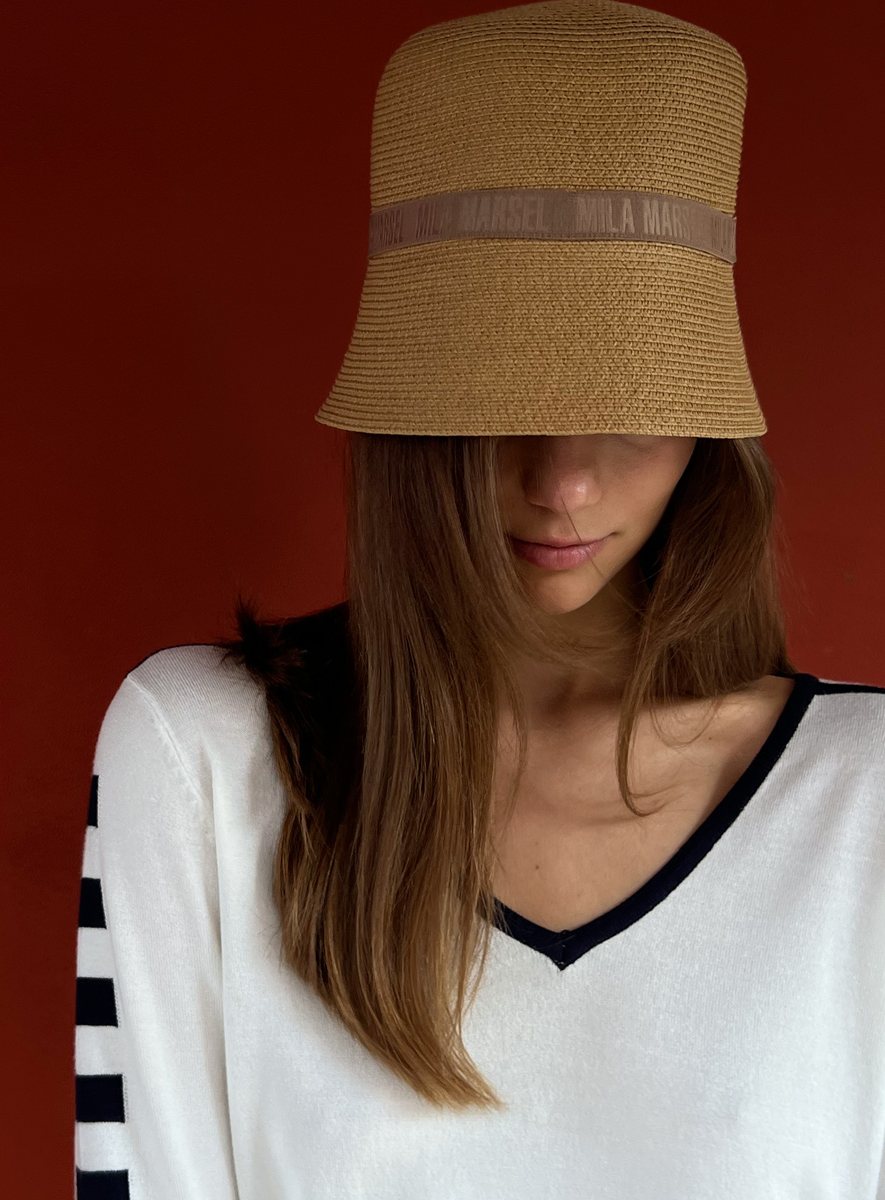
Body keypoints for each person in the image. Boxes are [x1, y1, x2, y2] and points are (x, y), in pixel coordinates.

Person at [72, 2, 885, 1198]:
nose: (563, 483)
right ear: (411, 421)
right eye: (499, 405)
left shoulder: (861, 800)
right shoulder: (203, 757)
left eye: (632, 403)